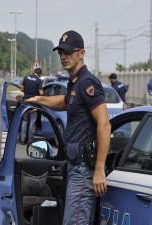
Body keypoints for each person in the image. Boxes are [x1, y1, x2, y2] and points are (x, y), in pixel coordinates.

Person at [26, 30, 111, 225]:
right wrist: (39, 99)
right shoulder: (75, 83)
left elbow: (104, 125)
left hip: (84, 170)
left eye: (68, 52)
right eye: (61, 52)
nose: (64, 56)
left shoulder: (87, 82)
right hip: (76, 167)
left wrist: (99, 170)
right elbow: (64, 102)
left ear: (81, 53)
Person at [20, 68, 44, 145]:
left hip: (25, 101)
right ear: (39, 74)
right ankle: (30, 141)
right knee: (32, 122)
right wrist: (43, 92)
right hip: (33, 102)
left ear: (34, 72)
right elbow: (41, 93)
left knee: (24, 121)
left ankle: (23, 140)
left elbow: (22, 89)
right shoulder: (38, 80)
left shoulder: (26, 77)